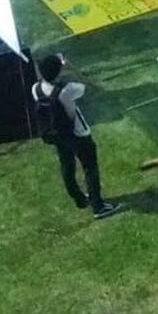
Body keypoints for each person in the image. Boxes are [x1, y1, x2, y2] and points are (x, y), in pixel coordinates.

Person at [33, 52, 121, 219]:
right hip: (77, 134)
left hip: (57, 134)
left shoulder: (35, 89)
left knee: (67, 165)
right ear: (58, 71)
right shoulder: (67, 90)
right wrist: (71, 69)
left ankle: (79, 199)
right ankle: (98, 206)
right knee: (90, 168)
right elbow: (93, 87)